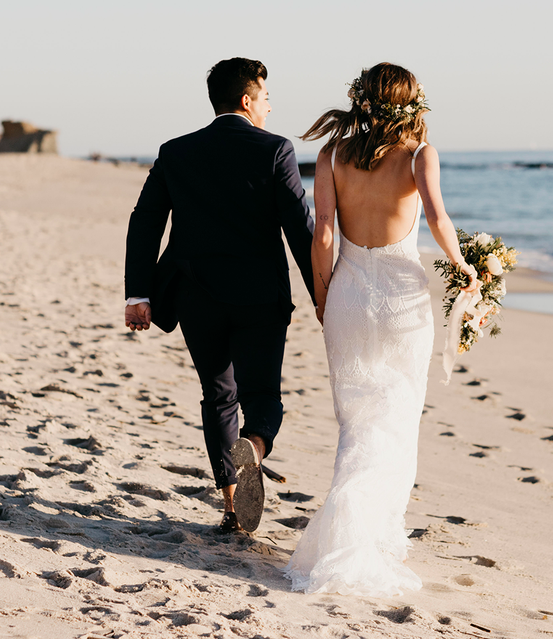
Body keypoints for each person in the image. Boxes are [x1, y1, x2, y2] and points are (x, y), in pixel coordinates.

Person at [284, 63, 479, 596]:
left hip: (348, 293)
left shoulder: (330, 156)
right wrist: (464, 265)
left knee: (356, 421)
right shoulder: (420, 155)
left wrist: (323, 297)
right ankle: (375, 535)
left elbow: (322, 232)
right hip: (400, 299)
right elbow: (437, 218)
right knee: (396, 415)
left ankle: (356, 532)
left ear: (362, 101)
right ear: (410, 103)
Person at [124, 57, 315, 533]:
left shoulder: (176, 151)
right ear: (248, 101)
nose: (270, 107)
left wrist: (138, 294)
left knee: (217, 396)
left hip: (196, 297)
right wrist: (323, 295)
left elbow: (145, 221)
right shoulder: (275, 150)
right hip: (258, 297)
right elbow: (300, 229)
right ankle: (254, 445)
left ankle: (231, 503)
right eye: (266, 98)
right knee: (262, 397)